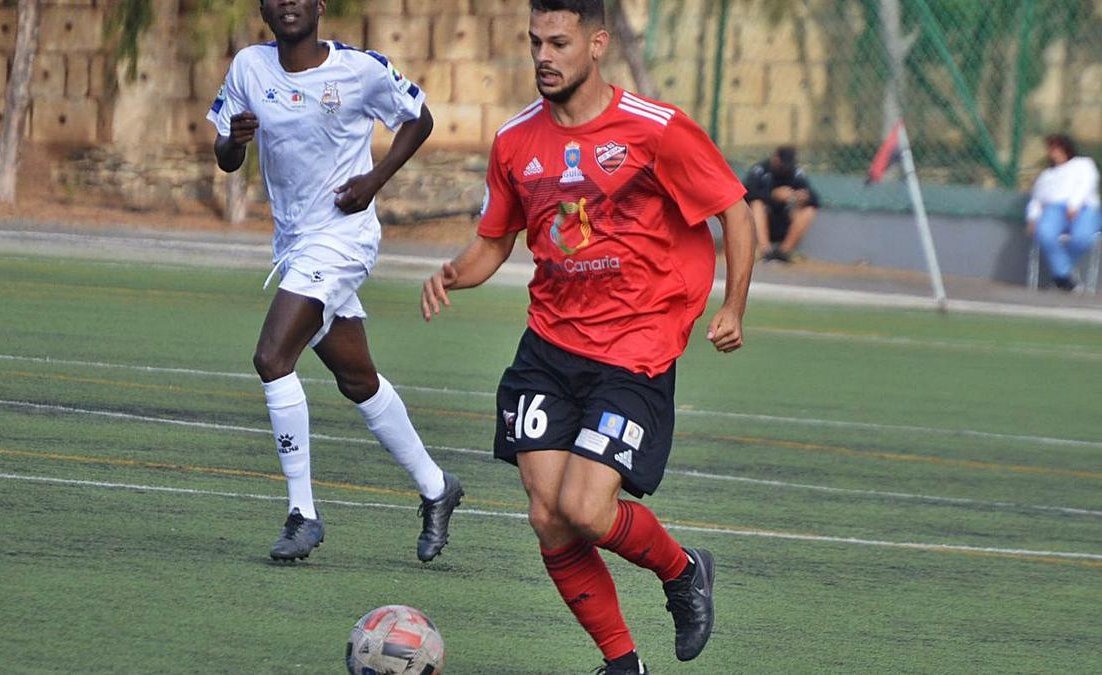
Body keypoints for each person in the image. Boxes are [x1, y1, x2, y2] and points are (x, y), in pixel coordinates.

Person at [420, 1, 755, 672]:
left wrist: (734, 306)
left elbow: (734, 210)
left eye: (559, 42)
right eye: (536, 41)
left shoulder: (655, 130)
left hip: (635, 351)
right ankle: (621, 662)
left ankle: (685, 570)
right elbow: (496, 241)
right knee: (548, 515)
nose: (544, 55)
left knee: (584, 506)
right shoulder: (515, 141)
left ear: (597, 44)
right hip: (548, 348)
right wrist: (457, 273)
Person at [206, 0, 463, 563]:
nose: (290, 2)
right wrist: (236, 141)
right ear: (264, 10)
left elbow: (419, 118)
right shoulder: (249, 66)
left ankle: (303, 515)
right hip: (295, 244)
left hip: (344, 237)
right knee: (357, 378)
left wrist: (374, 179)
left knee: (273, 358)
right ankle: (437, 487)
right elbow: (224, 155)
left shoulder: (359, 69)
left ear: (319, 6)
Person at [1027, 133, 1101, 291]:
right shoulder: (1046, 175)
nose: (1053, 153)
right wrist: (1032, 218)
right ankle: (1064, 275)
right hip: (1054, 211)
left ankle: (1062, 275)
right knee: (1045, 232)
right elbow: (1037, 200)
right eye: (1051, 149)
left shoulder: (1083, 164)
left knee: (1083, 237)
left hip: (1084, 209)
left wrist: (1074, 204)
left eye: (1057, 149)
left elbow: (1086, 183)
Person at [743, 145, 820, 263]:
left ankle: (784, 252)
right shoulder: (760, 170)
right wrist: (773, 195)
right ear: (775, 158)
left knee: (808, 211)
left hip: (784, 219)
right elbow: (746, 193)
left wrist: (803, 197)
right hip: (762, 220)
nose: (784, 167)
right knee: (757, 204)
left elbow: (815, 199)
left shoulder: (795, 172)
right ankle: (765, 251)